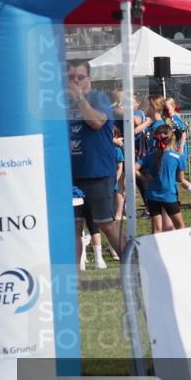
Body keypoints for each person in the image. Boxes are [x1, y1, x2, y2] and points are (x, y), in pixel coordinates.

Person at [67, 59, 123, 258]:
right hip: (71, 174)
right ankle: (74, 285)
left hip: (97, 172)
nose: (75, 82)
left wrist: (80, 98)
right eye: (71, 78)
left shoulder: (98, 97)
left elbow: (96, 122)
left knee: (106, 223)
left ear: (88, 79)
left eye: (80, 77)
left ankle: (134, 269)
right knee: (72, 230)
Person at [135, 124, 187, 232]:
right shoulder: (178, 157)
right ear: (172, 138)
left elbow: (133, 168)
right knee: (180, 227)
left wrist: (144, 179)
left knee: (156, 229)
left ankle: (154, 248)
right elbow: (180, 179)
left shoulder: (150, 156)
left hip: (152, 196)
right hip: (169, 195)